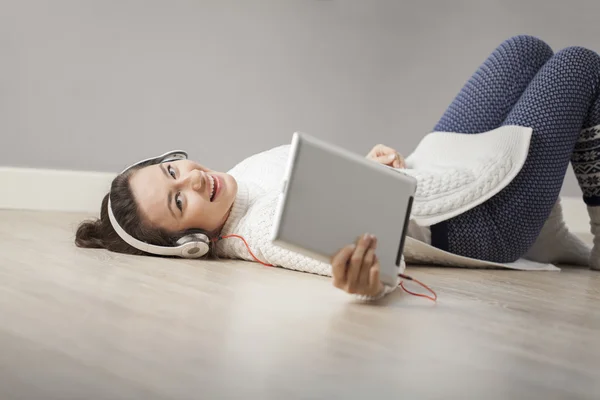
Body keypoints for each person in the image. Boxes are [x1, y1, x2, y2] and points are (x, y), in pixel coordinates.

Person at [76, 35, 600, 301]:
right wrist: (367, 284)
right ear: (191, 243)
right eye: (177, 201)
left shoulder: (240, 174)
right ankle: (568, 233)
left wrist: (373, 167)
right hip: (477, 226)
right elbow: (356, 266)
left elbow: (346, 190)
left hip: (427, 177)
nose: (190, 179)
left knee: (524, 50)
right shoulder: (259, 232)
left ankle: (548, 232)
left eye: (173, 172)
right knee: (578, 64)